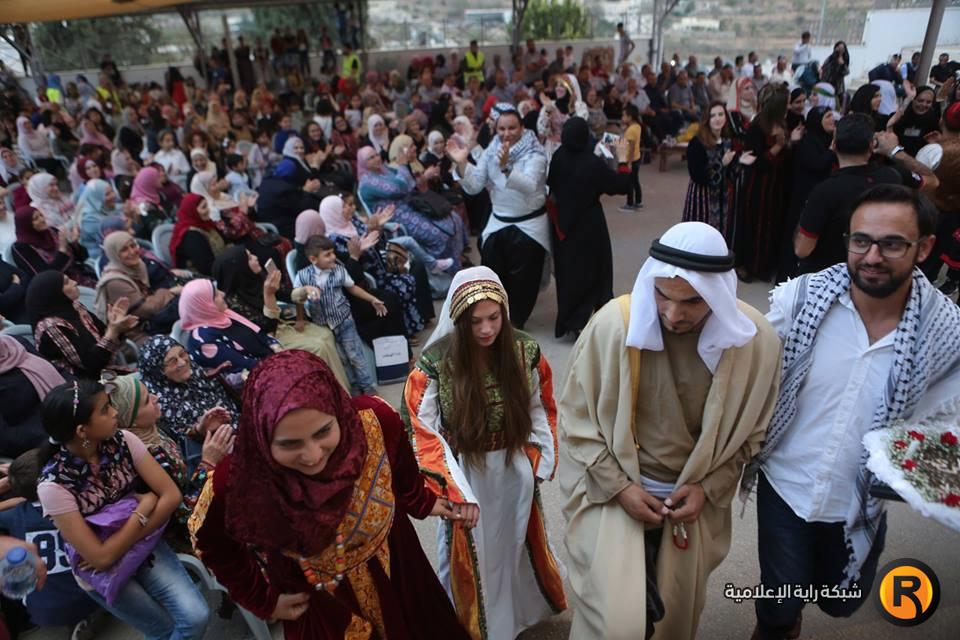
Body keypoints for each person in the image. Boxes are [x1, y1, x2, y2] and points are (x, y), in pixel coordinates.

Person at [743, 185, 960, 640]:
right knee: (779, 608)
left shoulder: (946, 332)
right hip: (786, 485)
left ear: (924, 248)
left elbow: (947, 419)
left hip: (858, 498)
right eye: (861, 240)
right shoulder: (802, 300)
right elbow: (744, 366)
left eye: (892, 243)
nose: (872, 256)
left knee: (840, 603)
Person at [559, 222, 781, 639]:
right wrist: (620, 487)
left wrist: (708, 489)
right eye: (662, 295)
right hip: (615, 491)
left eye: (692, 301)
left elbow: (752, 435)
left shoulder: (754, 342)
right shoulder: (613, 327)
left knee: (673, 616)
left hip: (690, 503)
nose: (673, 314)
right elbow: (577, 419)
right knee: (615, 621)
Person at [189, 350, 469, 639]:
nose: (312, 456)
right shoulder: (241, 478)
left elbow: (401, 469)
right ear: (260, 434)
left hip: (399, 571)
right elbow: (211, 542)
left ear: (338, 410)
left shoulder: (374, 422)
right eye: (289, 444)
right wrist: (263, 600)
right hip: (322, 603)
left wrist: (421, 501)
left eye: (323, 432)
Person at [401, 267, 567, 639]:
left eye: (494, 318)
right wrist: (451, 487)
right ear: (459, 320)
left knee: (513, 544)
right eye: (475, 321)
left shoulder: (525, 349)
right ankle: (473, 625)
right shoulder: (435, 361)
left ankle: (514, 619)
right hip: (465, 474)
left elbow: (541, 405)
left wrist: (537, 461)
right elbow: (418, 427)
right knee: (469, 551)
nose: (486, 329)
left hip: (513, 468)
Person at [37, 380, 210, 638]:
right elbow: (100, 560)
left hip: (144, 545)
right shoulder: (54, 486)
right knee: (163, 629)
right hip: (102, 573)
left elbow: (171, 496)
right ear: (82, 431)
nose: (115, 412)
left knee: (196, 617)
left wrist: (119, 543)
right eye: (105, 409)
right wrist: (144, 509)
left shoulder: (123, 441)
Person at [107, 373, 234, 550]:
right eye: (146, 401)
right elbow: (185, 513)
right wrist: (208, 463)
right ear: (130, 420)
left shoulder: (153, 429)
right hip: (190, 534)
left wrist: (199, 430)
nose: (156, 398)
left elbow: (178, 445)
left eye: (150, 393)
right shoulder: (144, 458)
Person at [449, 104, 548, 329]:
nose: (506, 133)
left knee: (523, 282)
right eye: (502, 128)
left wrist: (506, 168)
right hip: (498, 222)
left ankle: (515, 325)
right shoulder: (491, 150)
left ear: (522, 128)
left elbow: (530, 185)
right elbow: (474, 186)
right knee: (492, 276)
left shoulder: (535, 153)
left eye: (512, 128)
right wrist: (462, 163)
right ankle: (495, 318)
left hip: (529, 226)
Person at [794, 114, 932, 274]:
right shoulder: (894, 176)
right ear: (872, 145)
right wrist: (894, 151)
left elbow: (802, 249)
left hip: (829, 277)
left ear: (834, 145)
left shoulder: (824, 191)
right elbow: (932, 181)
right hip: (875, 272)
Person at [211, 245, 351, 390]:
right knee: (318, 347)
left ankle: (342, 389)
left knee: (326, 334)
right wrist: (269, 295)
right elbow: (266, 328)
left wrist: (305, 290)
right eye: (249, 258)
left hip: (282, 326)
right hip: (269, 341)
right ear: (239, 268)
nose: (256, 258)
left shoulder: (257, 278)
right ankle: (334, 393)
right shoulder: (232, 303)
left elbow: (285, 293)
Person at [547, 119, 632, 338]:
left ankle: (571, 321)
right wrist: (623, 159)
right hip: (590, 225)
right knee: (597, 272)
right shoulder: (592, 164)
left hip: (564, 225)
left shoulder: (558, 157)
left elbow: (552, 184)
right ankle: (596, 319)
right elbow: (621, 185)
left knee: (569, 273)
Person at [0, 450, 98, 633]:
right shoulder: (76, 501)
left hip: (40, 611)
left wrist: (11, 494)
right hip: (87, 595)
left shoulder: (15, 514)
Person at [294, 235, 387, 395]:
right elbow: (298, 299)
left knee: (355, 355)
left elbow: (352, 288)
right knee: (341, 359)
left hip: (344, 320)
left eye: (333, 252)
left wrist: (372, 299)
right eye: (327, 254)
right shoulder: (302, 276)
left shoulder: (339, 270)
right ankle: (353, 386)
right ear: (313, 259)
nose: (333, 257)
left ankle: (367, 386)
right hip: (323, 326)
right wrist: (300, 319)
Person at [137, 335, 239, 470]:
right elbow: (182, 446)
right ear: (158, 371)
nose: (182, 362)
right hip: (220, 458)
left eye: (182, 354)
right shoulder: (159, 405)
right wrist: (199, 431)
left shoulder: (197, 374)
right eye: (172, 361)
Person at [357, 146, 466, 270]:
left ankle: (457, 258)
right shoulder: (367, 182)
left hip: (412, 206)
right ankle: (444, 268)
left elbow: (409, 184)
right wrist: (403, 165)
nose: (377, 158)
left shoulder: (384, 169)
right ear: (363, 163)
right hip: (397, 217)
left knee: (453, 218)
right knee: (439, 234)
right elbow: (398, 188)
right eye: (371, 158)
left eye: (376, 155)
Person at [26, 271, 138, 380]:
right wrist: (112, 331)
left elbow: (105, 340)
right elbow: (92, 365)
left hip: (104, 372)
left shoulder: (75, 307)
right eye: (67, 282)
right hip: (83, 384)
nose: (74, 282)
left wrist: (117, 325)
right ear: (53, 293)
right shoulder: (52, 327)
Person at [735, 84, 792, 281]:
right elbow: (755, 163)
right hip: (758, 187)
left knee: (772, 225)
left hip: (777, 185)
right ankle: (747, 266)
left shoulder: (782, 123)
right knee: (754, 226)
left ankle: (765, 265)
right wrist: (777, 147)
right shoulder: (757, 127)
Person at [178, 278, 280, 381]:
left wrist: (277, 348)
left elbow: (260, 334)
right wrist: (281, 361)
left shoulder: (221, 315)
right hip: (260, 378)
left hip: (272, 362)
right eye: (216, 295)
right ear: (203, 306)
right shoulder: (204, 341)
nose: (223, 294)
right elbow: (247, 366)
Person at [779, 106, 837, 280]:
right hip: (803, 197)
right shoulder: (808, 142)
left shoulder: (825, 139)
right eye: (827, 116)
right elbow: (816, 164)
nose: (832, 120)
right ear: (817, 121)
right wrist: (831, 151)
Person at [94, 231, 181, 343]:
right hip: (135, 335)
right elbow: (147, 309)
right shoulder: (114, 281)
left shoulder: (138, 265)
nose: (132, 251)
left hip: (153, 322)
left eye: (133, 245)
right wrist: (169, 292)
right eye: (124, 249)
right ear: (114, 254)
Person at [682, 101, 742, 240]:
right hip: (702, 198)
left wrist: (740, 163)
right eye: (713, 115)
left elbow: (732, 174)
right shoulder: (697, 143)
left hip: (723, 196)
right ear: (707, 119)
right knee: (700, 236)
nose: (717, 119)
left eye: (720, 114)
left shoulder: (728, 141)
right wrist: (721, 164)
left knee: (721, 235)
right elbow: (697, 175)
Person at [0, 335, 64, 458]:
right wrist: (58, 436)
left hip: (62, 415)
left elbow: (57, 371)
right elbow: (5, 438)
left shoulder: (14, 343)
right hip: (37, 444)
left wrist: (81, 394)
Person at [12, 205, 96, 287]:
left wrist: (75, 243)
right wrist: (62, 250)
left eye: (41, 215)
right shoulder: (21, 248)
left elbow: (82, 258)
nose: (42, 219)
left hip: (80, 275)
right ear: (26, 224)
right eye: (36, 219)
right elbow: (45, 277)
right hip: (61, 287)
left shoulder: (52, 231)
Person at [170, 193, 226, 276]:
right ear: (192, 211)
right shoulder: (191, 236)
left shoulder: (206, 224)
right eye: (204, 207)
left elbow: (226, 241)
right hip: (203, 277)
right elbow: (207, 268)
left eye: (207, 205)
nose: (208, 209)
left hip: (221, 266)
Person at [893, 85, 941, 156]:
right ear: (913, 99)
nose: (924, 104)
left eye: (928, 102)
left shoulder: (933, 120)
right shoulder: (899, 116)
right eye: (920, 101)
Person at [620, 103, 645, 211]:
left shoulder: (630, 130)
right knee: (635, 181)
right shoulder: (637, 126)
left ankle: (629, 203)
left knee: (629, 182)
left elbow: (630, 147)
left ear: (630, 117)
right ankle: (638, 201)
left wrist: (629, 163)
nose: (622, 117)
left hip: (631, 159)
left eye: (624, 115)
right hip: (637, 157)